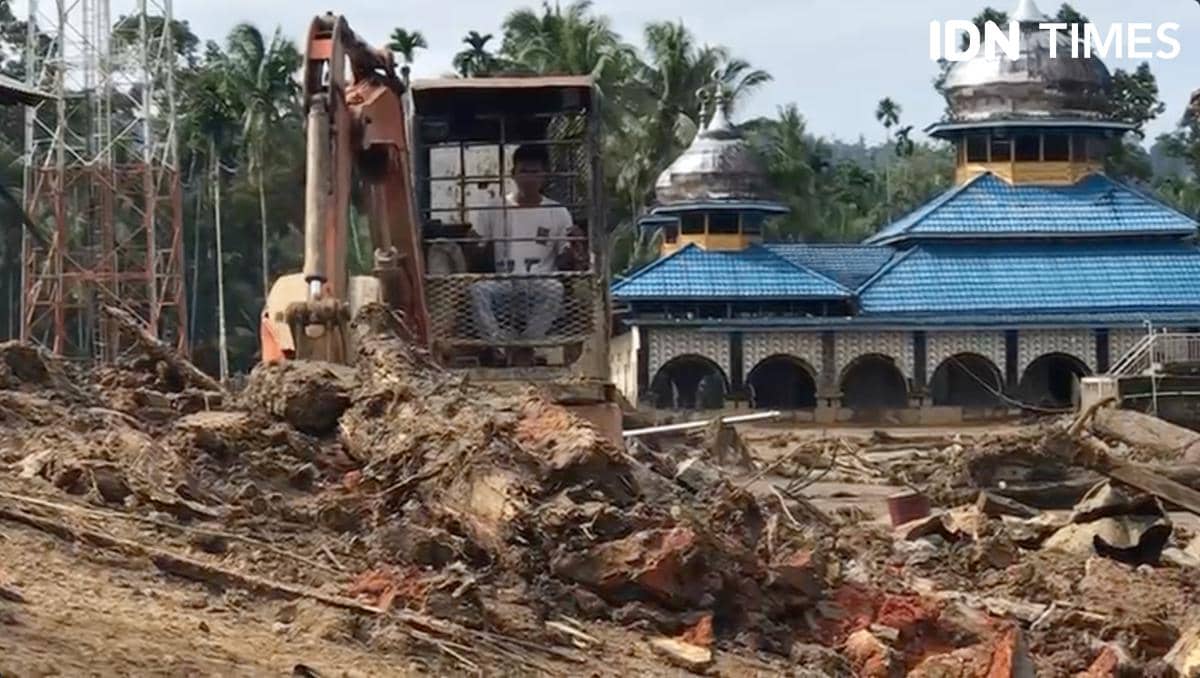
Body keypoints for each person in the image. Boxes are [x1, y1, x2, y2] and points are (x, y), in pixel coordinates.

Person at [467, 144, 585, 365]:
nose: (529, 178)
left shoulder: (558, 212)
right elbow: (474, 246)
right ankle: (499, 348)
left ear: (544, 175)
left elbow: (564, 257)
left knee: (555, 288)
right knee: (478, 290)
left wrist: (574, 247)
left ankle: (526, 346)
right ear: (513, 174)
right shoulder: (494, 209)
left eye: (535, 172)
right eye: (524, 171)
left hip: (539, 287)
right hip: (504, 285)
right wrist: (472, 242)